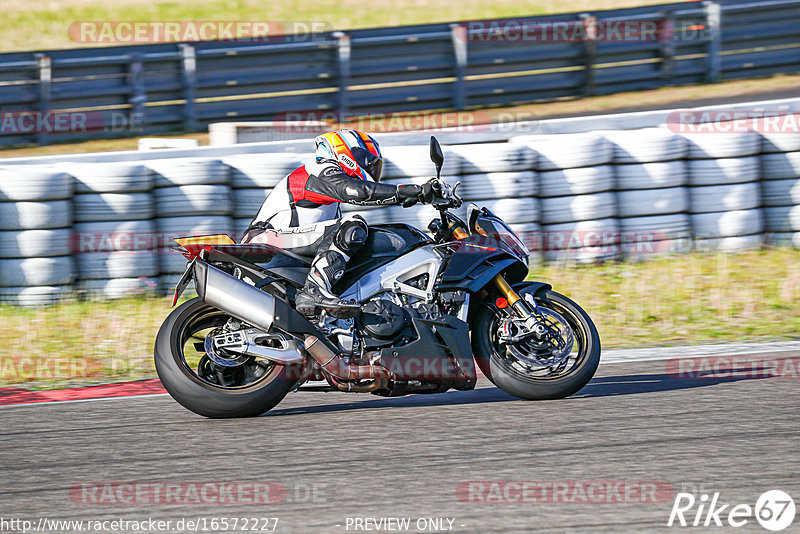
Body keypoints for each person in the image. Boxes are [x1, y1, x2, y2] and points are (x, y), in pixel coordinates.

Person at [241, 129, 439, 318]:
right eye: (367, 160)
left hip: (284, 244)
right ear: (344, 152)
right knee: (352, 226)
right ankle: (315, 290)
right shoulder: (318, 170)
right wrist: (413, 192)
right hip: (264, 241)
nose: (371, 167)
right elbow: (357, 191)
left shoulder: (329, 196)